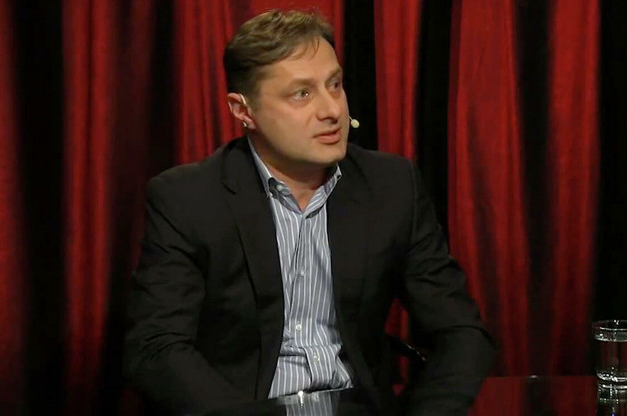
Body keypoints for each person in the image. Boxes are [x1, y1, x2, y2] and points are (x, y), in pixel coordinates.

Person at [124, 9, 495, 416]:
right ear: (243, 111)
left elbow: (461, 332)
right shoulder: (188, 199)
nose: (332, 110)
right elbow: (157, 347)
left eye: (334, 84)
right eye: (302, 94)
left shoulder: (391, 186)